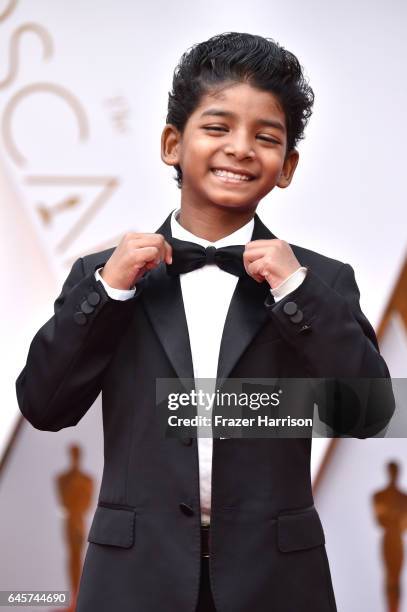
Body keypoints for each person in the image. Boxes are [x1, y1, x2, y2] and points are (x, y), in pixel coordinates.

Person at [16, 32, 393, 612]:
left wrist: (296, 290)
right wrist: (109, 291)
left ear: (287, 165)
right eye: (217, 128)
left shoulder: (321, 282)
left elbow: (368, 414)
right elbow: (44, 405)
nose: (240, 149)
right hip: (134, 578)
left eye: (266, 137)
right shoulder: (107, 275)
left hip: (277, 582)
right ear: (173, 143)